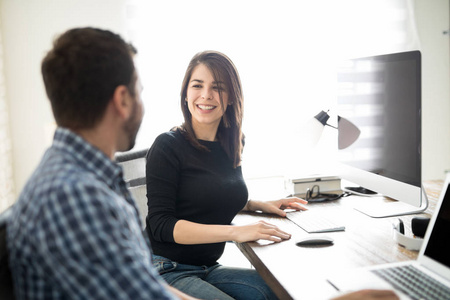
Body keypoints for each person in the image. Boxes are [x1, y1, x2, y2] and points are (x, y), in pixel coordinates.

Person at [144, 51, 400, 300]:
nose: (206, 95)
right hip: (167, 269)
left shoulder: (231, 141)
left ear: (231, 97)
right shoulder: (168, 145)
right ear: (185, 94)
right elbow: (161, 225)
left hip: (207, 268)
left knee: (280, 291)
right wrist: (236, 232)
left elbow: (205, 194)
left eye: (218, 87)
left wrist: (256, 205)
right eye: (197, 85)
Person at [6, 27, 195, 300]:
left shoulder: (85, 176)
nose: (142, 103)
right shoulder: (73, 196)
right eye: (139, 91)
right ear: (122, 100)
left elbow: (141, 281)